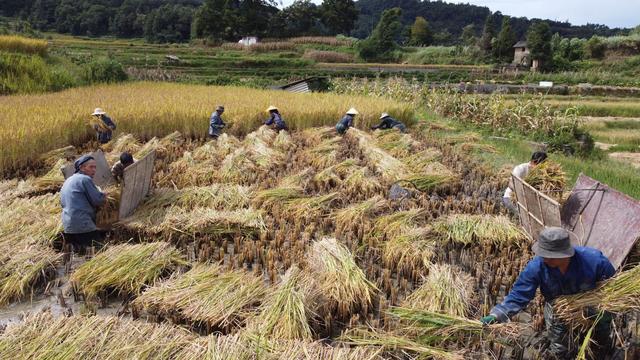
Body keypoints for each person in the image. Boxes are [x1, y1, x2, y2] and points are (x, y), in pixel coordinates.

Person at [481, 227, 615, 359]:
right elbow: (519, 294)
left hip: (593, 304)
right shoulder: (537, 267)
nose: (545, 259)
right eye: (543, 255)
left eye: (550, 256)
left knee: (600, 335)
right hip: (558, 308)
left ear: (565, 253)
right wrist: (497, 314)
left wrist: (599, 305)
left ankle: (599, 350)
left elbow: (612, 288)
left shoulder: (595, 261)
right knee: (559, 343)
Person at [60, 155, 107, 250]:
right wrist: (104, 195)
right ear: (81, 167)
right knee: (100, 252)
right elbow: (98, 200)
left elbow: (62, 202)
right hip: (83, 224)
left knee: (79, 254)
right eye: (91, 167)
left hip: (68, 226)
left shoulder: (68, 180)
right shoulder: (85, 179)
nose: (94, 170)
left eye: (95, 167)